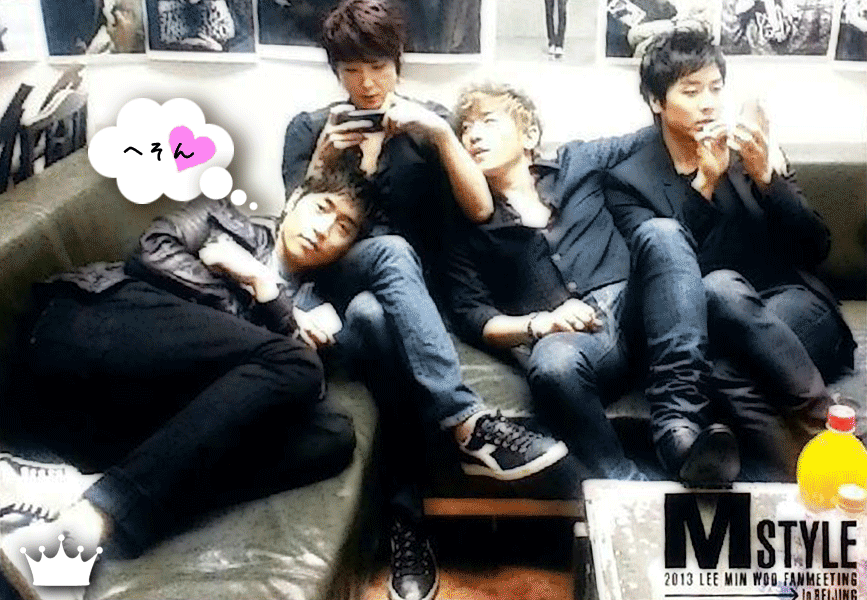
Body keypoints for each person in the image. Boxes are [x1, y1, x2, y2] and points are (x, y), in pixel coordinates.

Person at [281, 2, 568, 599]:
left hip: (410, 310)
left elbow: (480, 210)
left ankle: (406, 525)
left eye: (378, 67)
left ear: (398, 63)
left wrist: (438, 135)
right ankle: (467, 422)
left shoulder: (428, 124)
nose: (366, 83)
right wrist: (322, 161)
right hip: (335, 287)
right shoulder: (308, 128)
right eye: (351, 70)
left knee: (375, 313)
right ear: (335, 72)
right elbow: (297, 231)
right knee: (386, 254)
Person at [0, 171, 368, 600]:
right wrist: (254, 296)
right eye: (322, 208)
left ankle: (93, 487)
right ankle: (85, 524)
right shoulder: (223, 219)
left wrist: (268, 293)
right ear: (295, 199)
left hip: (122, 417)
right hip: (90, 331)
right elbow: (150, 251)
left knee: (333, 436)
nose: (323, 229)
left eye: (343, 227)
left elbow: (299, 393)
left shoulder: (311, 308)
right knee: (294, 362)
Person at [447, 83, 741, 487]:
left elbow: (654, 133)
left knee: (661, 233)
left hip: (637, 311)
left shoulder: (578, 162)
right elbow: (473, 316)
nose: (473, 136)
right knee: (552, 365)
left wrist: (732, 135)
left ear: (529, 135)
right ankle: (624, 486)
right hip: (576, 343)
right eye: (465, 130)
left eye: (488, 122)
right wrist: (542, 323)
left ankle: (679, 434)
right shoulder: (465, 226)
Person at [604, 28, 857, 477]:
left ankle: (819, 436)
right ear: (657, 102)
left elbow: (815, 247)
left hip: (790, 308)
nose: (708, 103)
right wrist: (704, 184)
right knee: (715, 348)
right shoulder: (629, 181)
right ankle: (816, 457)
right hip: (706, 331)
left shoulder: (751, 152)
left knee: (720, 298)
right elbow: (663, 270)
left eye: (716, 89)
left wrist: (767, 179)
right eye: (691, 91)